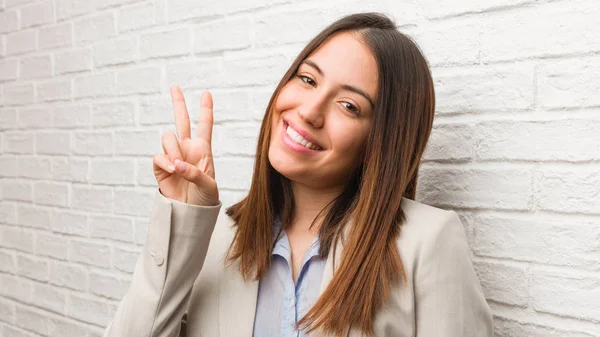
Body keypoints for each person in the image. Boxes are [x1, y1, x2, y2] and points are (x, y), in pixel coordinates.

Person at [103, 12, 493, 337]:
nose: (309, 110)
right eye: (307, 79)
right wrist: (185, 219)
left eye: (348, 105)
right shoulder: (217, 236)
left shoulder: (427, 243)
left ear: (382, 140)